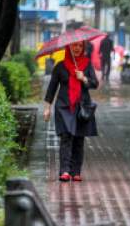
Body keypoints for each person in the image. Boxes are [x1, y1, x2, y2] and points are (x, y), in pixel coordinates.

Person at [43, 41, 99, 182]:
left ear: (83, 48)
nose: (77, 48)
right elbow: (52, 88)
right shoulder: (60, 66)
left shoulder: (87, 64)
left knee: (79, 139)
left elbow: (95, 83)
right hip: (64, 107)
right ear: (69, 47)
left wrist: (84, 78)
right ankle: (65, 171)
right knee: (66, 137)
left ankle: (76, 172)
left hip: (81, 107)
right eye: (74, 46)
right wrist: (47, 107)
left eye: (80, 46)